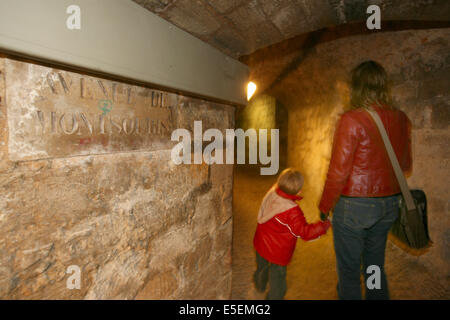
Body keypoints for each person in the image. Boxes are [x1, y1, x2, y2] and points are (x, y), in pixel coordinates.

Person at [319, 60, 412, 300]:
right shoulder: (401, 118)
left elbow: (338, 172)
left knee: (349, 273)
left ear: (356, 87)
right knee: (374, 266)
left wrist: (324, 207)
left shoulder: (352, 119)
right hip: (388, 205)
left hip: (354, 207)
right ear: (384, 86)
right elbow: (406, 166)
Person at [253, 168, 331, 300]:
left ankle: (259, 286)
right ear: (299, 191)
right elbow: (304, 232)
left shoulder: (272, 192)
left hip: (261, 242)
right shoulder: (291, 211)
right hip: (278, 251)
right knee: (278, 278)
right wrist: (324, 225)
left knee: (261, 267)